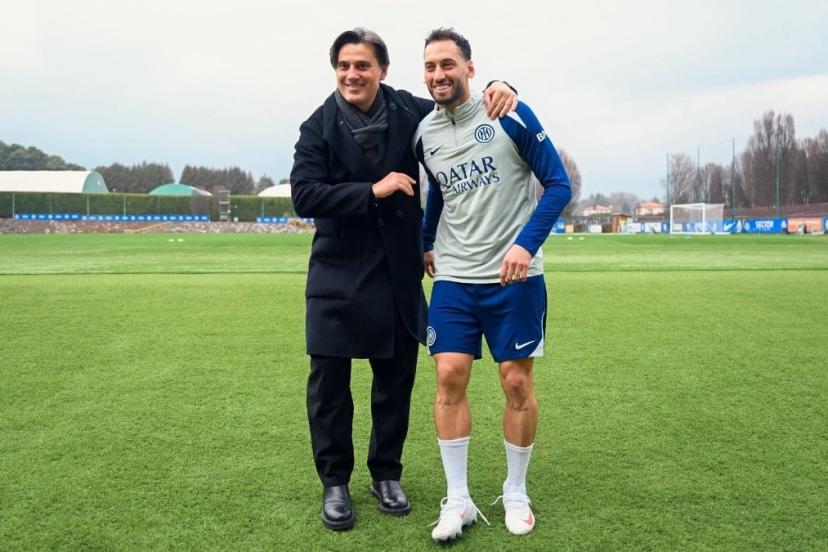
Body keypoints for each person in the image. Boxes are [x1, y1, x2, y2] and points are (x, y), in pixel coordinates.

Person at [290, 27, 517, 531]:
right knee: (329, 385)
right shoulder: (317, 126)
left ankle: (386, 474)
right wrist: (373, 189)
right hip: (335, 271)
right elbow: (304, 195)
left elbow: (452, 96)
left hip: (396, 269)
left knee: (395, 380)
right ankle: (335, 482)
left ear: (383, 71)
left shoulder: (407, 110)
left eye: (363, 65)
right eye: (344, 66)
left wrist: (500, 86)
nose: (352, 74)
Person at [412, 28, 571, 540]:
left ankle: (516, 492)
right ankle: (457, 500)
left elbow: (558, 184)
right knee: (448, 376)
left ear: (470, 68)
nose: (439, 74)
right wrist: (426, 239)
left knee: (516, 382)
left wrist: (525, 244)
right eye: (431, 66)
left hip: (514, 277)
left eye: (448, 64)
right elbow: (439, 189)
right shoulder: (424, 133)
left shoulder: (509, 112)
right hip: (455, 277)